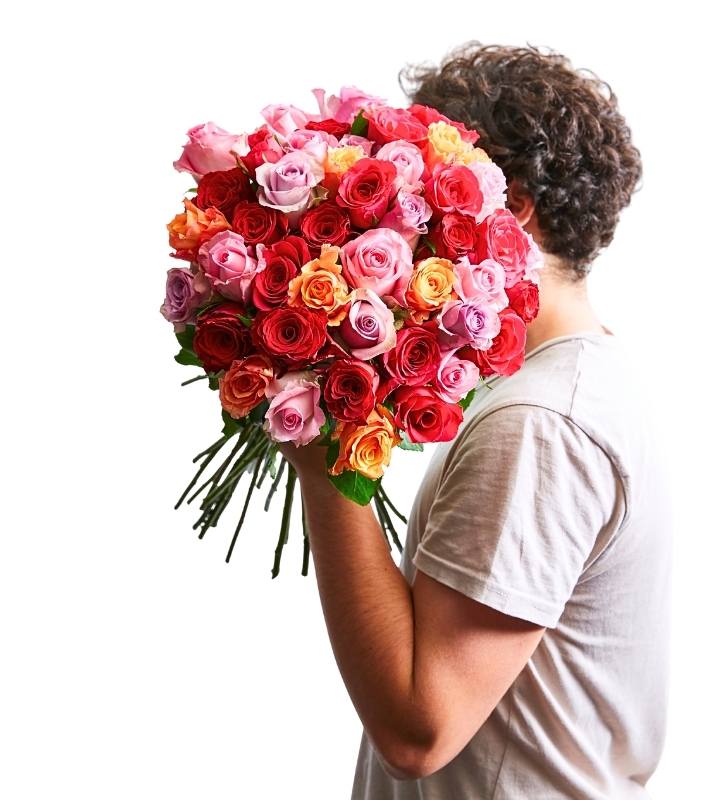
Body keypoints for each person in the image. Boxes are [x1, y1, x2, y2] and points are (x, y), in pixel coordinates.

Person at [279, 42, 672, 799]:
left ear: (509, 206)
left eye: (416, 198)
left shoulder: (541, 423)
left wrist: (324, 453)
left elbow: (418, 730)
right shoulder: (573, 380)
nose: (391, 228)